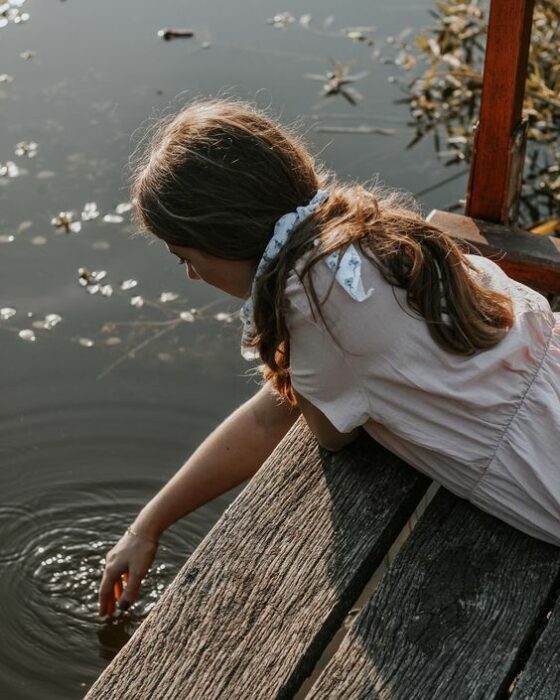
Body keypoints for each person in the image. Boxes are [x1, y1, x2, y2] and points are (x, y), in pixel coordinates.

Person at [97, 96, 560, 618]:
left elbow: (323, 433)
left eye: (187, 258)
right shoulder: (370, 229)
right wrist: (150, 522)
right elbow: (275, 408)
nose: (191, 276)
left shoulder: (313, 308)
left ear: (222, 239)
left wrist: (147, 526)